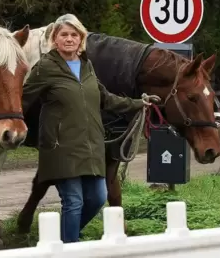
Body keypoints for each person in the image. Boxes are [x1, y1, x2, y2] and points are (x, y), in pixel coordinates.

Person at [21, 14, 157, 243]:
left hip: (91, 145)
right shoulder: (44, 67)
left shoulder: (87, 66)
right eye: (63, 34)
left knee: (97, 197)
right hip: (61, 146)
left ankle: (64, 238)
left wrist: (138, 104)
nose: (69, 39)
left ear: (81, 39)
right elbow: (22, 99)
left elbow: (106, 98)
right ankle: (70, 248)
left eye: (74, 34)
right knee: (74, 201)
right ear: (54, 39)